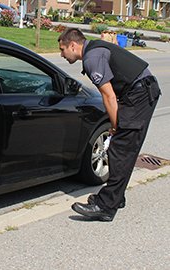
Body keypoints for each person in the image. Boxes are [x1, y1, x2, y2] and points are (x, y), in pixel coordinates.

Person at [57, 28, 161, 221]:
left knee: (120, 148)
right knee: (123, 149)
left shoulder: (91, 59)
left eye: (63, 50)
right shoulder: (95, 49)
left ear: (73, 45)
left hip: (138, 95)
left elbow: (109, 96)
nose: (62, 55)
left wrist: (115, 125)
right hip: (141, 91)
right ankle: (115, 197)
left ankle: (106, 207)